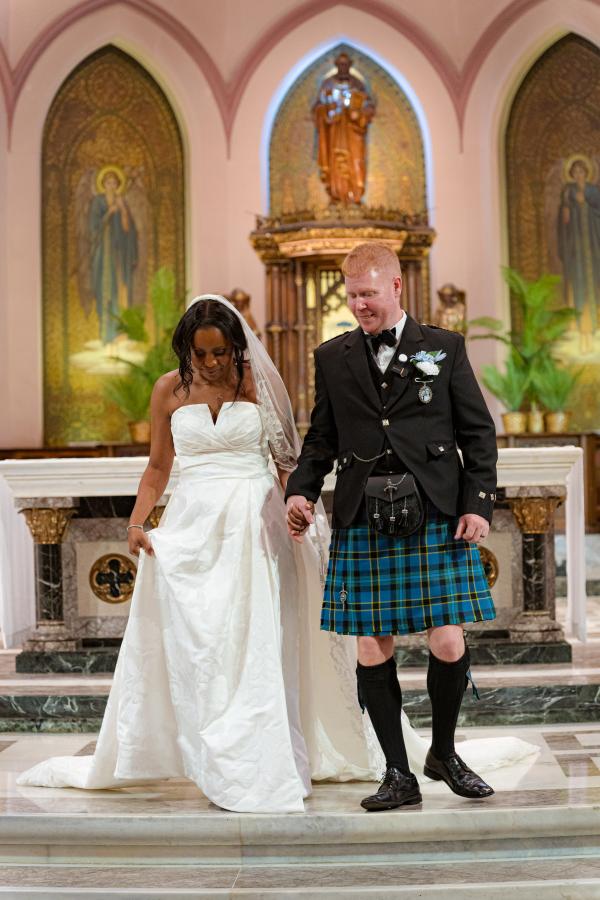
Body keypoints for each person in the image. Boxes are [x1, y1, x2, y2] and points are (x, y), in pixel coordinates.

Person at [17, 295, 381, 812]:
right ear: (185, 349)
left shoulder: (258, 385)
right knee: (206, 646)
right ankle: (211, 754)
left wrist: (299, 509)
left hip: (256, 523)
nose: (210, 363)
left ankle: (264, 756)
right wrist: (137, 521)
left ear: (237, 347)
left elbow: (286, 462)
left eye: (220, 352)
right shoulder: (168, 389)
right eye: (200, 353)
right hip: (193, 526)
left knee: (257, 640)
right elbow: (158, 467)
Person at [286, 242, 500, 811]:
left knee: (448, 639)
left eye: (370, 294)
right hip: (364, 513)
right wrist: (300, 490)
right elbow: (322, 437)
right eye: (353, 295)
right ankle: (398, 773)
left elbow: (478, 433)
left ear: (396, 286)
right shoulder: (333, 356)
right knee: (371, 644)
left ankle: (444, 753)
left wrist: (477, 504)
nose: (360, 304)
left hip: (434, 509)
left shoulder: (444, 347)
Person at [313, 52, 375, 204]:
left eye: (345, 64)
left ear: (350, 65)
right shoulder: (327, 85)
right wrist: (328, 110)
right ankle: (336, 194)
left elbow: (368, 107)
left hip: (353, 132)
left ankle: (355, 195)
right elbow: (317, 108)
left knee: (356, 161)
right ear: (336, 65)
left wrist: (359, 114)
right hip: (334, 132)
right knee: (336, 161)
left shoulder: (358, 85)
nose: (343, 67)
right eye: (340, 64)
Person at [557, 156, 600, 354]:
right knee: (579, 290)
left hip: (594, 250)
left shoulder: (593, 191)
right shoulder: (568, 192)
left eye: (582, 171)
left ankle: (593, 331)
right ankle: (583, 334)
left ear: (587, 173)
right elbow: (563, 220)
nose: (579, 174)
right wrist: (566, 213)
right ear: (571, 174)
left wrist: (588, 203)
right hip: (577, 254)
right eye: (575, 172)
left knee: (595, 289)